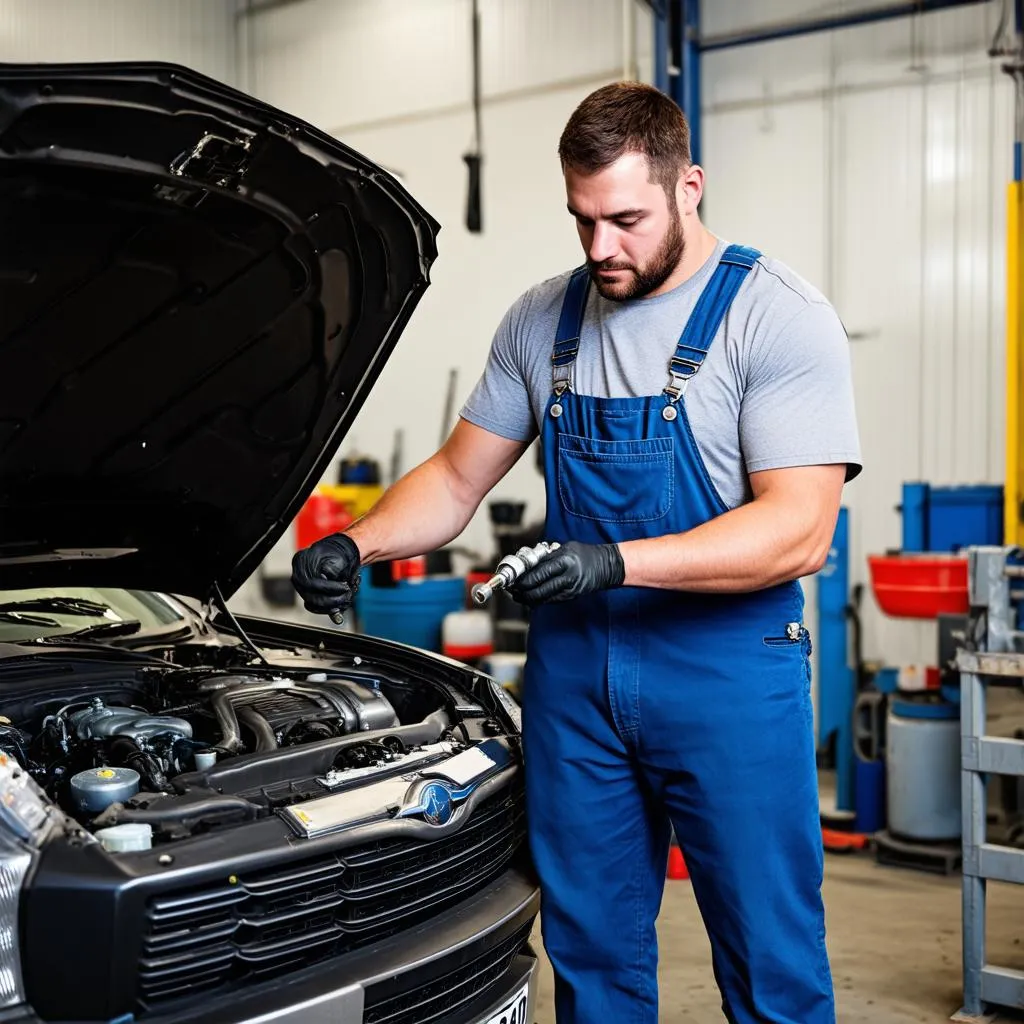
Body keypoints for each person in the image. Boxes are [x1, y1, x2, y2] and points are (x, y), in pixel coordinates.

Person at [292, 81, 861, 1024]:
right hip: (577, 683)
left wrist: (616, 562)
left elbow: (799, 528)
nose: (601, 249)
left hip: (726, 675)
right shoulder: (543, 321)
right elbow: (455, 478)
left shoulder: (778, 316)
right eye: (581, 219)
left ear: (691, 187)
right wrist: (356, 541)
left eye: (626, 219)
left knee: (771, 956)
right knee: (589, 951)